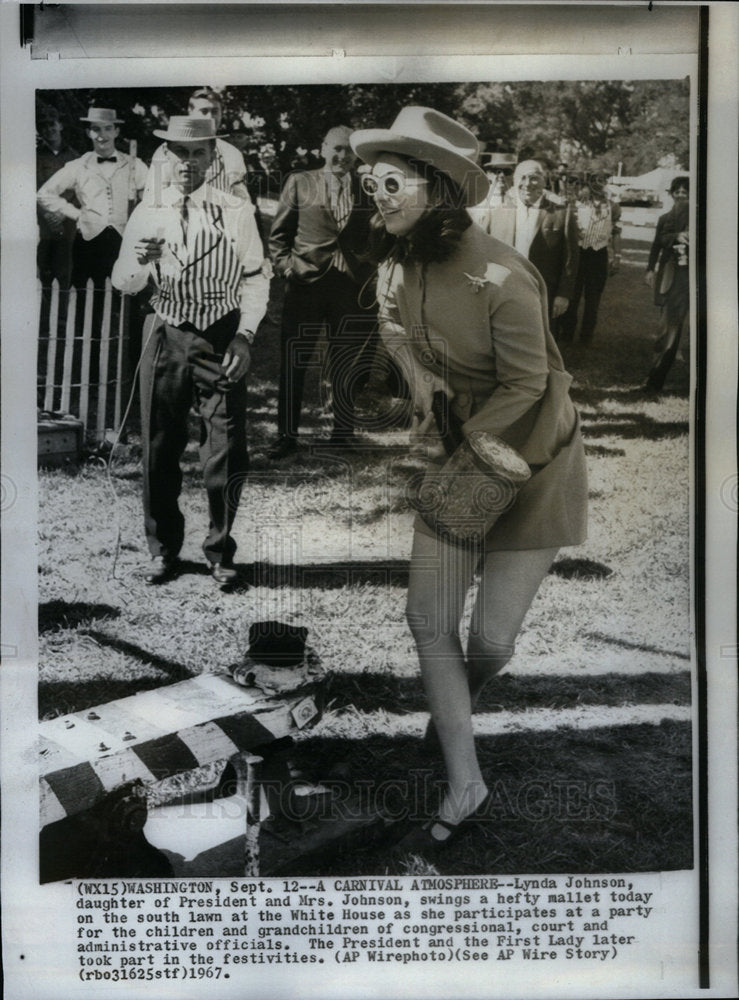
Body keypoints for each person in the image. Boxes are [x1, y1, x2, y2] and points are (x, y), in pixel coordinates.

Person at [350, 107, 587, 850]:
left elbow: (528, 385)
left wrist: (470, 451)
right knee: (429, 620)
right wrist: (420, 383)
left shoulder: (501, 274)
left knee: (490, 639)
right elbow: (391, 324)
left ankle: (454, 700)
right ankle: (465, 779)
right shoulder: (398, 261)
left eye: (391, 183)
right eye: (370, 182)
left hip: (535, 457)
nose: (376, 197)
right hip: (466, 454)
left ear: (440, 190)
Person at [111, 116, 269, 586]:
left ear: (213, 158)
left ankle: (220, 552)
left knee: (224, 450)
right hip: (164, 331)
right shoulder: (148, 211)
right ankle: (163, 551)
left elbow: (256, 278)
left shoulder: (236, 210)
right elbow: (123, 282)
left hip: (220, 337)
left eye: (198, 153)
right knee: (158, 447)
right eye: (178, 154)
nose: (187, 162)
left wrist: (246, 335)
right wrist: (138, 263)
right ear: (165, 159)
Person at [266, 125, 378, 458]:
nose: (342, 156)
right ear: (322, 149)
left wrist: (369, 269)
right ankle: (286, 437)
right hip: (306, 285)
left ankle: (342, 434)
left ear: (356, 156)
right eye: (336, 149)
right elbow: (278, 237)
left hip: (351, 288)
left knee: (346, 362)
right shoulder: (300, 182)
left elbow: (378, 234)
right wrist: (287, 268)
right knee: (294, 362)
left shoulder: (366, 188)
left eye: (348, 150)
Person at [37, 107, 147, 291]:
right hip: (89, 241)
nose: (102, 135)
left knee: (124, 293)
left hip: (124, 239)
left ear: (116, 131)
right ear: (89, 133)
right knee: (87, 295)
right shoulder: (78, 165)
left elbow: (151, 196)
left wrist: (139, 217)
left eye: (107, 128)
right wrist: (76, 214)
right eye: (96, 129)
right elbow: (44, 193)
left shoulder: (134, 164)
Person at [482, 158, 579, 333]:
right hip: (503, 292)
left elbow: (570, 258)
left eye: (534, 177)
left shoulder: (561, 213)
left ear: (544, 180)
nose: (527, 184)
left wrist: (563, 294)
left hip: (543, 293)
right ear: (515, 180)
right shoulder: (497, 212)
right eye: (522, 177)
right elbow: (483, 252)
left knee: (542, 343)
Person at [143, 88, 249, 206]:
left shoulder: (232, 153)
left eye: (215, 111)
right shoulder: (168, 152)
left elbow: (242, 199)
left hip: (220, 220)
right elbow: (153, 196)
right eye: (204, 111)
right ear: (190, 112)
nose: (210, 117)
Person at [559, 171, 621, 344]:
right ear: (589, 184)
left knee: (593, 299)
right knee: (573, 295)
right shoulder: (578, 204)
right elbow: (569, 229)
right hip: (579, 253)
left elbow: (616, 233)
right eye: (595, 181)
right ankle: (567, 333)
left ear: (606, 184)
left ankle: (586, 336)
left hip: (599, 254)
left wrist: (617, 256)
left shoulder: (613, 206)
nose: (598, 185)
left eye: (602, 181)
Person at [643, 176, 690, 394]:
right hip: (672, 273)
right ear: (671, 194)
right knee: (668, 323)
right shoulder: (666, 218)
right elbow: (656, 244)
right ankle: (656, 374)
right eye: (677, 191)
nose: (681, 195)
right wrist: (650, 269)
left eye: (685, 191)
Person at [36, 107, 79, 289]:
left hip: (67, 221)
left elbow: (81, 191)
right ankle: (43, 315)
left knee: (64, 268)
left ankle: (62, 315)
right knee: (42, 266)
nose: (49, 129)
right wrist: (47, 214)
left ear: (60, 126)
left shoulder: (75, 157)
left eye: (52, 124)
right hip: (42, 222)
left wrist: (63, 212)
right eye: (43, 126)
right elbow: (32, 189)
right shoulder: (35, 156)